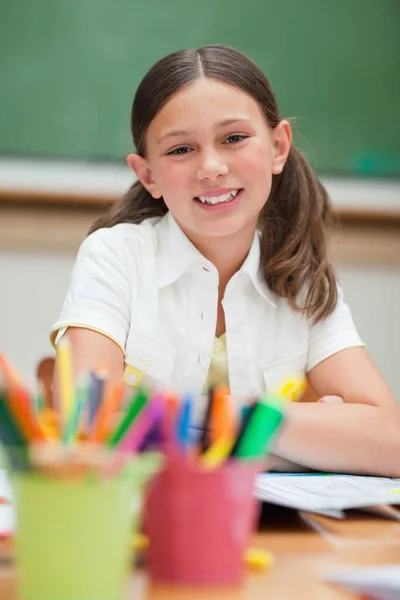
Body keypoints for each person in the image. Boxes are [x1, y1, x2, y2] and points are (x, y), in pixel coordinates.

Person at [51, 45, 400, 475]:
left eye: (233, 138)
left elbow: (391, 442)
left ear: (278, 147)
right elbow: (84, 431)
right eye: (181, 149)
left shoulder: (302, 281)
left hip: (277, 538)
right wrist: (291, 439)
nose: (211, 167)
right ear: (148, 175)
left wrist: (222, 418)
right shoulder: (115, 257)